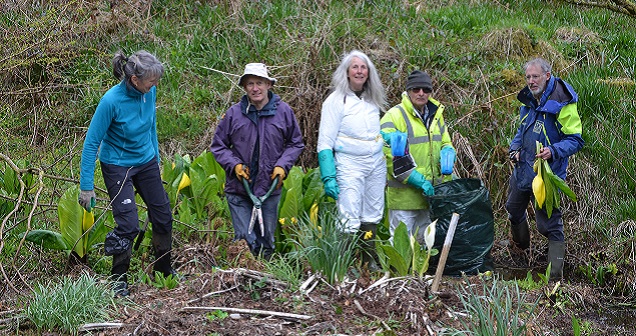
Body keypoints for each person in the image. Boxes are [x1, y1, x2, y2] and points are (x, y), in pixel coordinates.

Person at [79, 50, 176, 296]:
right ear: (135, 80)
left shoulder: (149, 91)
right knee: (128, 224)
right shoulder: (111, 101)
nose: (156, 84)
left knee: (163, 215)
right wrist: (86, 186)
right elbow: (91, 143)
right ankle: (119, 280)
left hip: (146, 162)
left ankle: (164, 270)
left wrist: (156, 158)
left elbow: (151, 126)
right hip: (117, 166)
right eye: (151, 80)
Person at [211, 63, 304, 261]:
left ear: (269, 85)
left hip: (270, 187)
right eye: (250, 83)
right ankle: (245, 280)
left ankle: (265, 281)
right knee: (244, 240)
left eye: (259, 83)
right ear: (244, 87)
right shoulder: (234, 114)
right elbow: (218, 146)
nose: (255, 88)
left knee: (266, 241)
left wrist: (282, 166)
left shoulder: (283, 112)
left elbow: (296, 143)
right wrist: (234, 165)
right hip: (239, 189)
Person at [506, 57, 584, 281]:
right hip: (523, 169)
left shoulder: (562, 101)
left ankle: (554, 278)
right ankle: (521, 249)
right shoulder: (529, 99)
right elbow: (522, 131)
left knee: (548, 225)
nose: (531, 81)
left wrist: (552, 151)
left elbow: (575, 140)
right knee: (513, 208)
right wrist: (515, 149)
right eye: (528, 77)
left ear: (547, 75)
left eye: (535, 76)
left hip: (546, 175)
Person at [317, 50, 386, 268]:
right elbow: (325, 142)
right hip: (349, 164)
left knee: (372, 212)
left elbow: (372, 133)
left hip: (375, 163)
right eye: (355, 67)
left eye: (363, 67)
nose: (359, 71)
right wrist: (329, 175)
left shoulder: (371, 101)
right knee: (348, 214)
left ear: (369, 72)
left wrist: (386, 138)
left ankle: (368, 262)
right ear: (347, 72)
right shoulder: (336, 101)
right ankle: (342, 264)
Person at [380, 70, 455, 240]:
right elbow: (389, 156)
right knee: (401, 246)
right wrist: (416, 179)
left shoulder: (436, 116)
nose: (421, 93)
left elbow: (445, 142)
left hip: (430, 196)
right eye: (416, 89)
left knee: (423, 245)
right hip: (404, 199)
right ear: (407, 91)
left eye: (426, 90)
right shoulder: (394, 116)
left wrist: (448, 151)